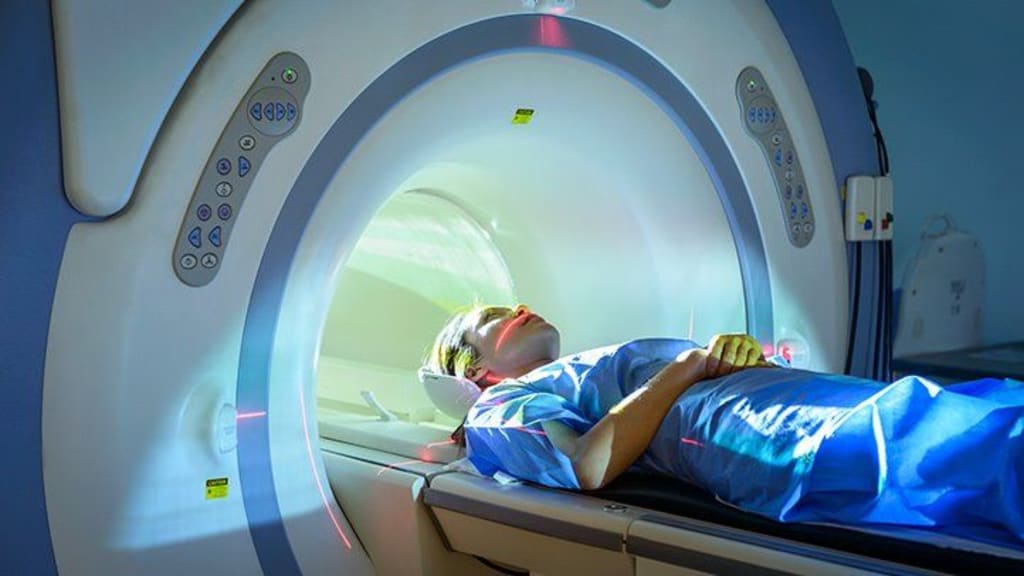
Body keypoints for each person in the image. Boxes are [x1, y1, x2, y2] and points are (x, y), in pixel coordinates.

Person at [427, 303, 1024, 547]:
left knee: (976, 418)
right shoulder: (496, 410)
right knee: (968, 446)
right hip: (749, 428)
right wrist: (690, 365)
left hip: (766, 401)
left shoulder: (577, 369)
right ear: (472, 371)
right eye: (494, 317)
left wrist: (727, 359)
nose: (519, 309)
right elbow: (589, 464)